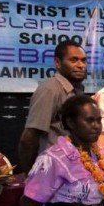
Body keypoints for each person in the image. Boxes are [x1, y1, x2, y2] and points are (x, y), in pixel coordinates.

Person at [18, 40, 87, 173]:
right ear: (57, 62)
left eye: (83, 61)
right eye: (74, 60)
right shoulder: (50, 89)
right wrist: (32, 175)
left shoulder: (77, 89)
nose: (80, 65)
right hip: (51, 172)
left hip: (71, 169)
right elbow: (28, 138)